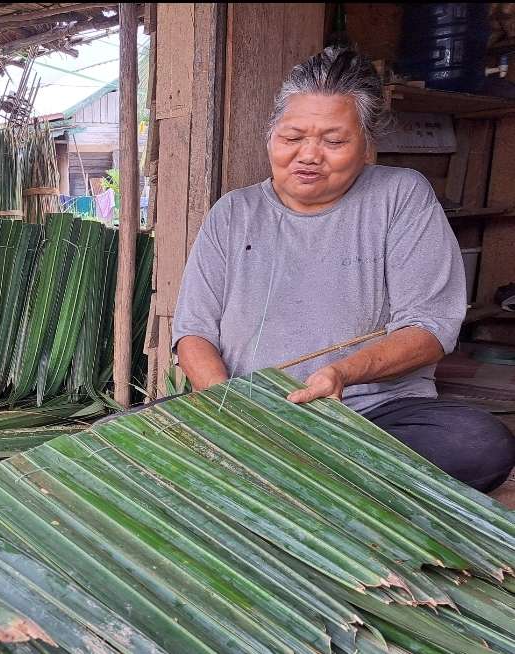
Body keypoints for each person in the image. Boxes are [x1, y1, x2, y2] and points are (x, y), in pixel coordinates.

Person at [172, 47, 515, 493]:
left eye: (333, 142)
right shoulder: (233, 212)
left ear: (367, 146)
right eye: (292, 137)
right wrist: (229, 408)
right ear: (271, 135)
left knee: (478, 444)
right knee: (122, 441)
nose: (309, 155)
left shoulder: (401, 196)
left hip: (371, 416)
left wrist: (343, 373)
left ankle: (283, 474)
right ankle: (311, 474)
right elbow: (194, 332)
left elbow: (430, 329)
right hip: (252, 412)